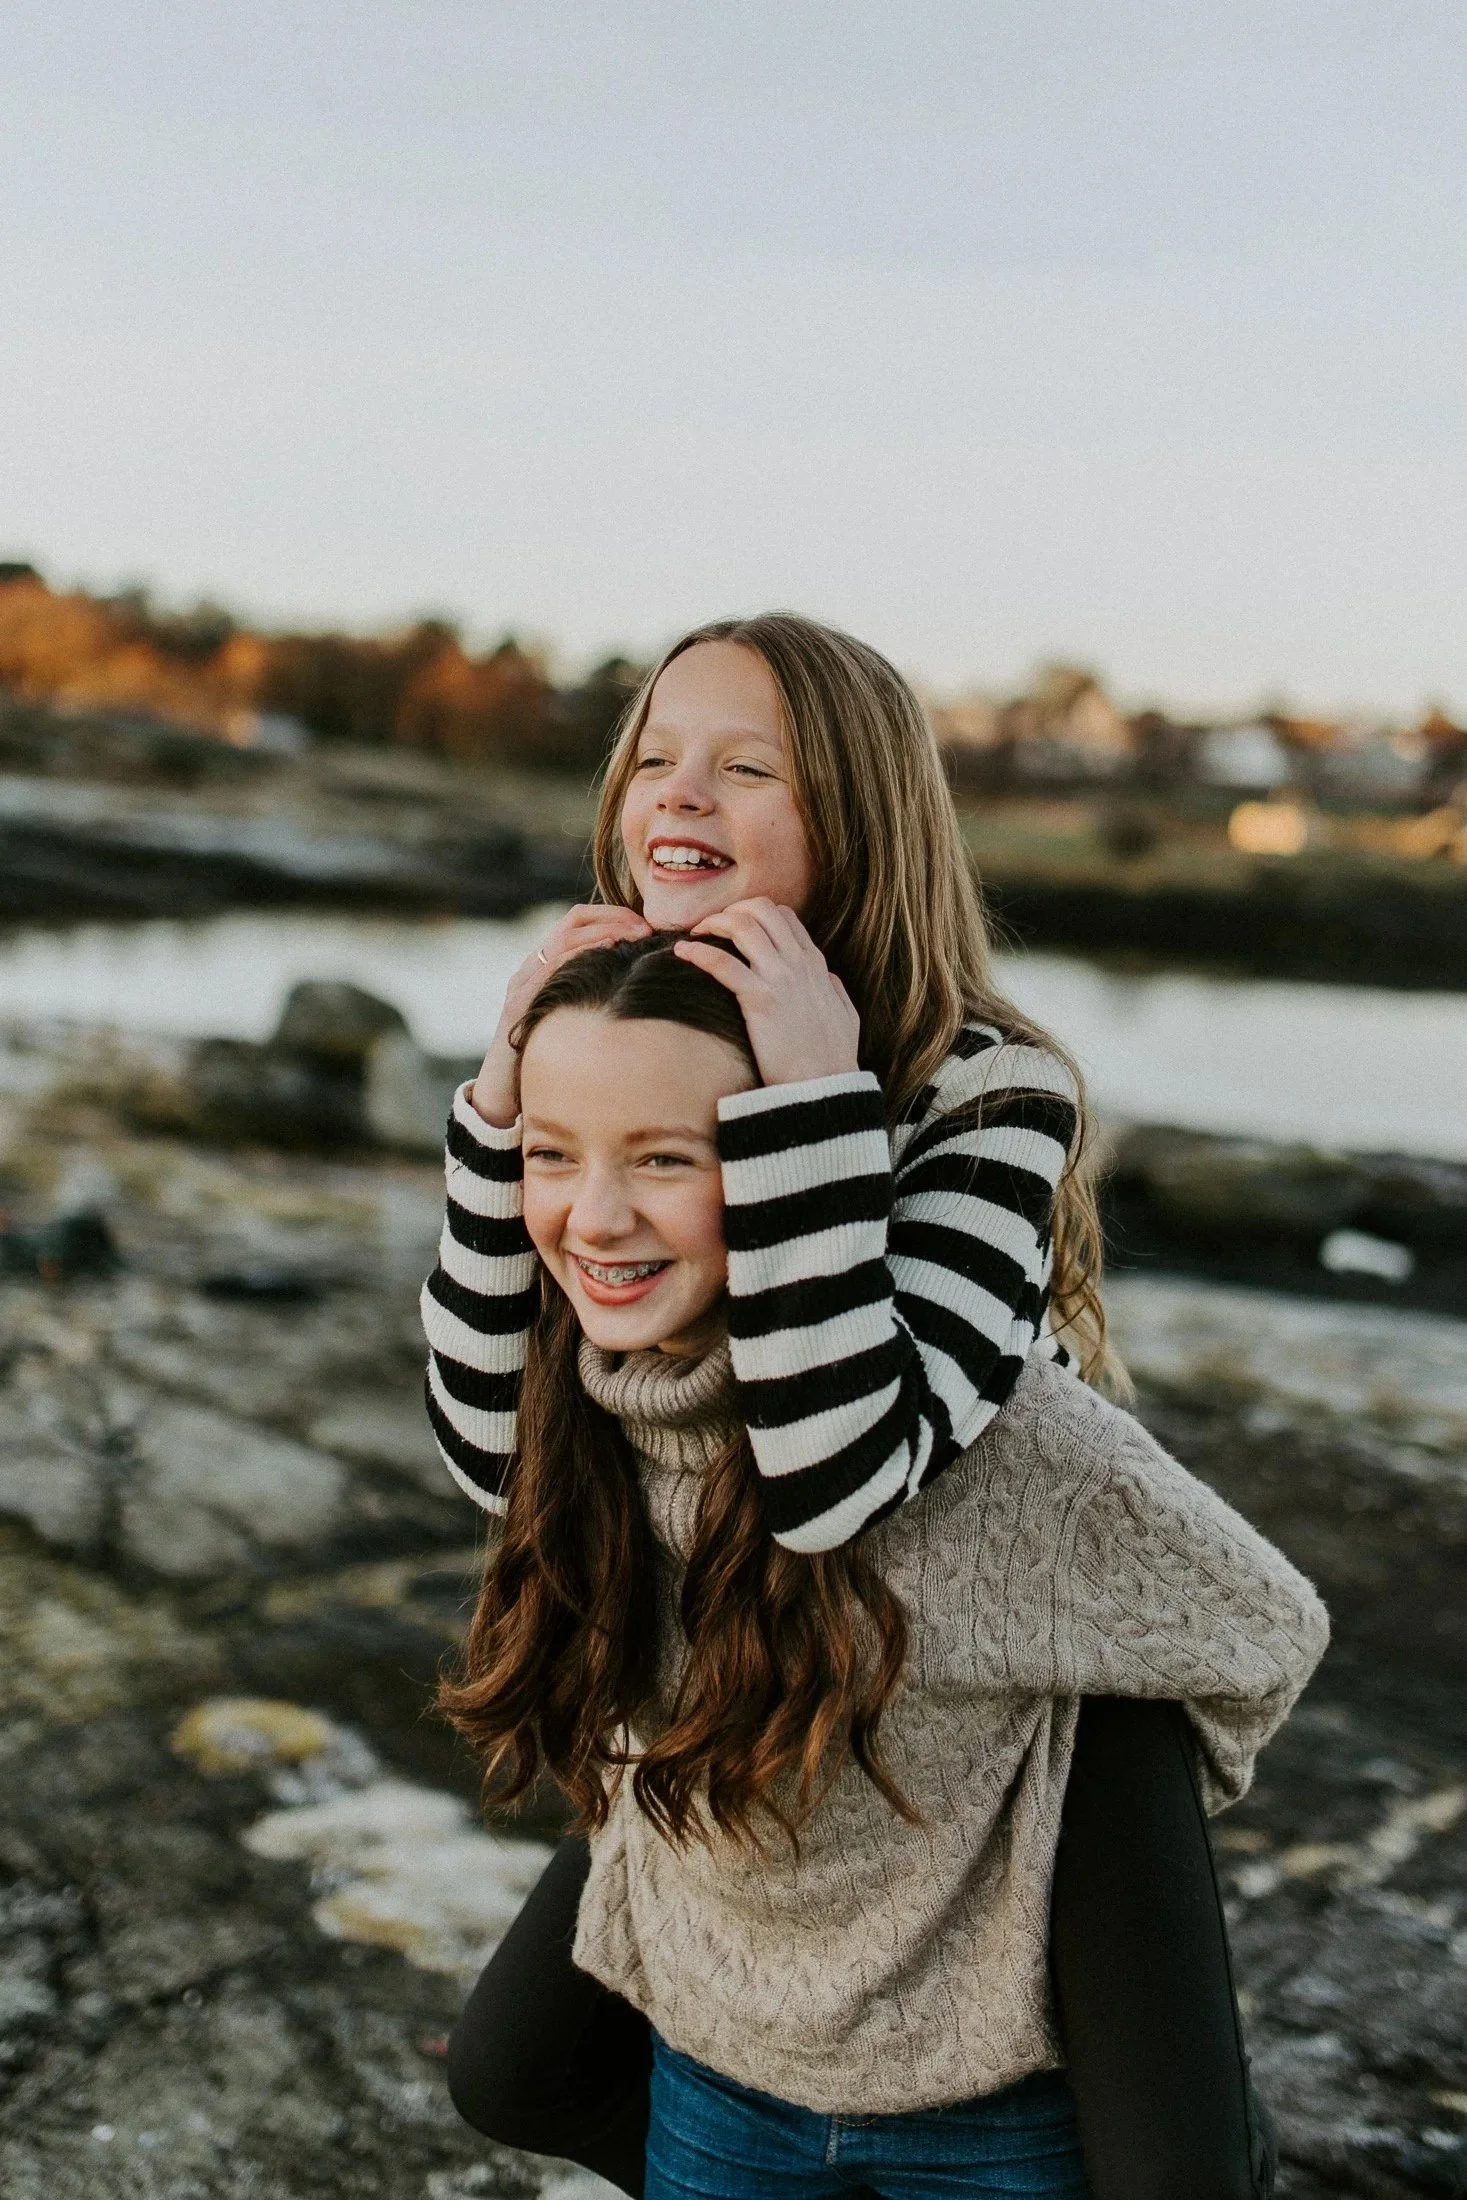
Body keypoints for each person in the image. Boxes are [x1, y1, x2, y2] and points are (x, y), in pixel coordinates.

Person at [421, 615, 1299, 2195]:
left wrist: (815, 1103)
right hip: (764, 1626)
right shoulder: (623, 1034)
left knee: (1179, 2171)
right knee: (514, 2062)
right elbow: (501, 1440)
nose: (677, 793)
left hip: (1028, 1638)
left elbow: (839, 1470)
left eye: (745, 767)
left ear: (857, 818)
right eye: (654, 756)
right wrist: (506, 1101)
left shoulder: (973, 1083)